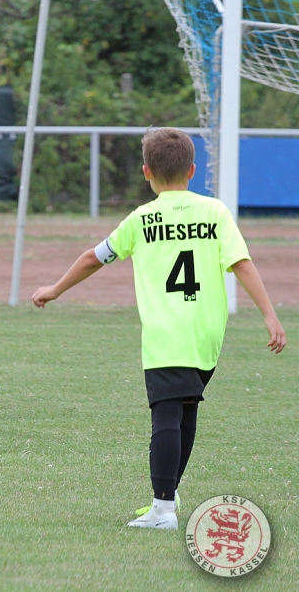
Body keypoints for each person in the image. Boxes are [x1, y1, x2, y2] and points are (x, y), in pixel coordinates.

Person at [32, 127, 286, 529]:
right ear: (192, 170)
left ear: (146, 172)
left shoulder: (141, 219)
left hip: (167, 334)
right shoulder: (215, 211)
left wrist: (55, 289)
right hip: (207, 335)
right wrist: (269, 315)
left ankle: (163, 510)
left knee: (166, 415)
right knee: (186, 410)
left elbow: (93, 258)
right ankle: (170, 491)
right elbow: (241, 263)